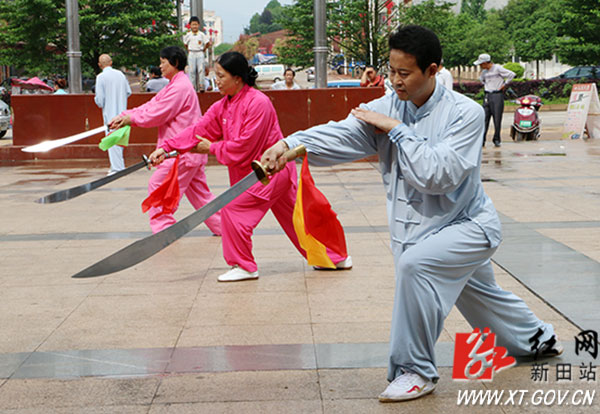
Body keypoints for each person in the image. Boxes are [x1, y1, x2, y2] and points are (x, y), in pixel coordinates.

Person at [262, 25, 562, 403]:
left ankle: (415, 370)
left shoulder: (465, 114)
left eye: (404, 73)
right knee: (482, 296)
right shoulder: (387, 106)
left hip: (468, 226)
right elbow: (345, 133)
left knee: (416, 267)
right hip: (420, 230)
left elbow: (436, 175)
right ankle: (538, 338)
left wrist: (398, 131)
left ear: (433, 70)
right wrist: (294, 144)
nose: (395, 80)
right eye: (391, 70)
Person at [149, 51, 351, 282]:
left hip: (268, 172)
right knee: (297, 218)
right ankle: (334, 257)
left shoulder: (258, 103)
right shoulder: (223, 106)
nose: (217, 81)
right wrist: (166, 149)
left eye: (221, 76)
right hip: (255, 175)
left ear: (238, 78)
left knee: (233, 210)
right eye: (216, 75)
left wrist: (211, 148)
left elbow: (243, 147)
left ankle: (243, 265)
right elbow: (198, 130)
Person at [108, 46, 221, 236]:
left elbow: (157, 113)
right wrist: (126, 116)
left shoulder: (180, 87)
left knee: (158, 186)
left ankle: (164, 229)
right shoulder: (175, 85)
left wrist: (130, 119)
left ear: (175, 63)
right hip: (185, 152)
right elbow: (153, 105)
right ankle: (225, 226)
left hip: (179, 153)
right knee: (202, 196)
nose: (160, 66)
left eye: (163, 62)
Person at [94, 54, 132, 175]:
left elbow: (100, 101)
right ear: (111, 62)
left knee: (112, 140)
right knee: (119, 141)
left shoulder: (101, 77)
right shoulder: (121, 75)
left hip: (109, 114)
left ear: (100, 65)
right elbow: (128, 92)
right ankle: (117, 166)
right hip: (122, 113)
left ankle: (117, 168)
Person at [474, 53, 515, 147]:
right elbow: (481, 80)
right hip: (487, 95)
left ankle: (496, 139)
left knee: (497, 119)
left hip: (497, 95)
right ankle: (482, 140)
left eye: (481, 64)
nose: (480, 66)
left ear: (485, 63)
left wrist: (504, 84)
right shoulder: (484, 72)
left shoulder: (498, 68)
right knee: (484, 118)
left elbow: (511, 74)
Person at [183, 16, 210, 92]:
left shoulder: (201, 34)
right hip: (191, 52)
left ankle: (201, 85)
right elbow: (185, 44)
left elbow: (207, 43)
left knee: (201, 69)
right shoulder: (188, 35)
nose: (194, 26)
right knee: (191, 70)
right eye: (193, 24)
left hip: (200, 52)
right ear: (190, 25)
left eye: (196, 24)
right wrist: (188, 49)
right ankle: (192, 86)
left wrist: (204, 49)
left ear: (198, 25)